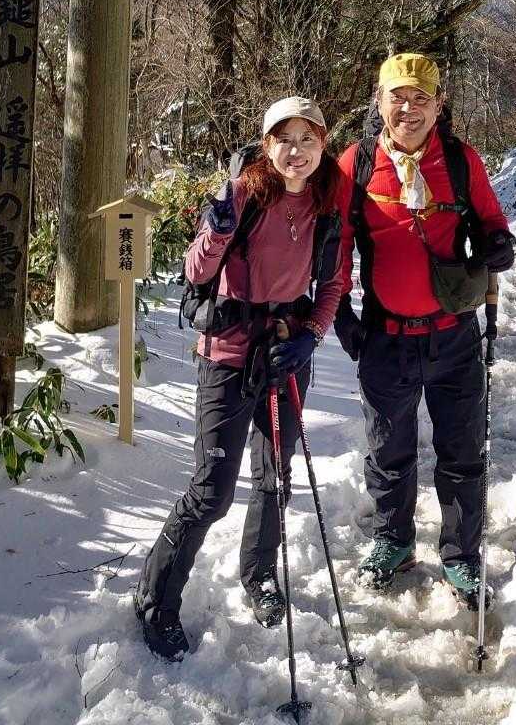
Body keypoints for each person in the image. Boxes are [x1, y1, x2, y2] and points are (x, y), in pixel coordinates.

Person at [135, 97, 344, 661]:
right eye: (284, 139)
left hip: (286, 350)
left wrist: (311, 336)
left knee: (275, 474)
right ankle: (155, 597)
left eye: (307, 139)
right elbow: (196, 270)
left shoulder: (327, 202)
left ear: (322, 144)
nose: (296, 151)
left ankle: (259, 573)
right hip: (228, 355)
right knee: (212, 491)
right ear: (266, 143)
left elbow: (332, 283)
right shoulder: (245, 193)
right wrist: (216, 226)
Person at [334, 53, 515, 610]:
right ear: (379, 101)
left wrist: (498, 244)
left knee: (462, 450)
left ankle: (461, 556)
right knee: (388, 450)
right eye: (397, 96)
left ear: (439, 105)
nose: (408, 109)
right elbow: (336, 248)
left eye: (420, 98)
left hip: (453, 334)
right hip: (384, 336)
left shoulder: (460, 160)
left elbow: (492, 221)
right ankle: (393, 542)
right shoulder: (356, 164)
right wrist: (340, 316)